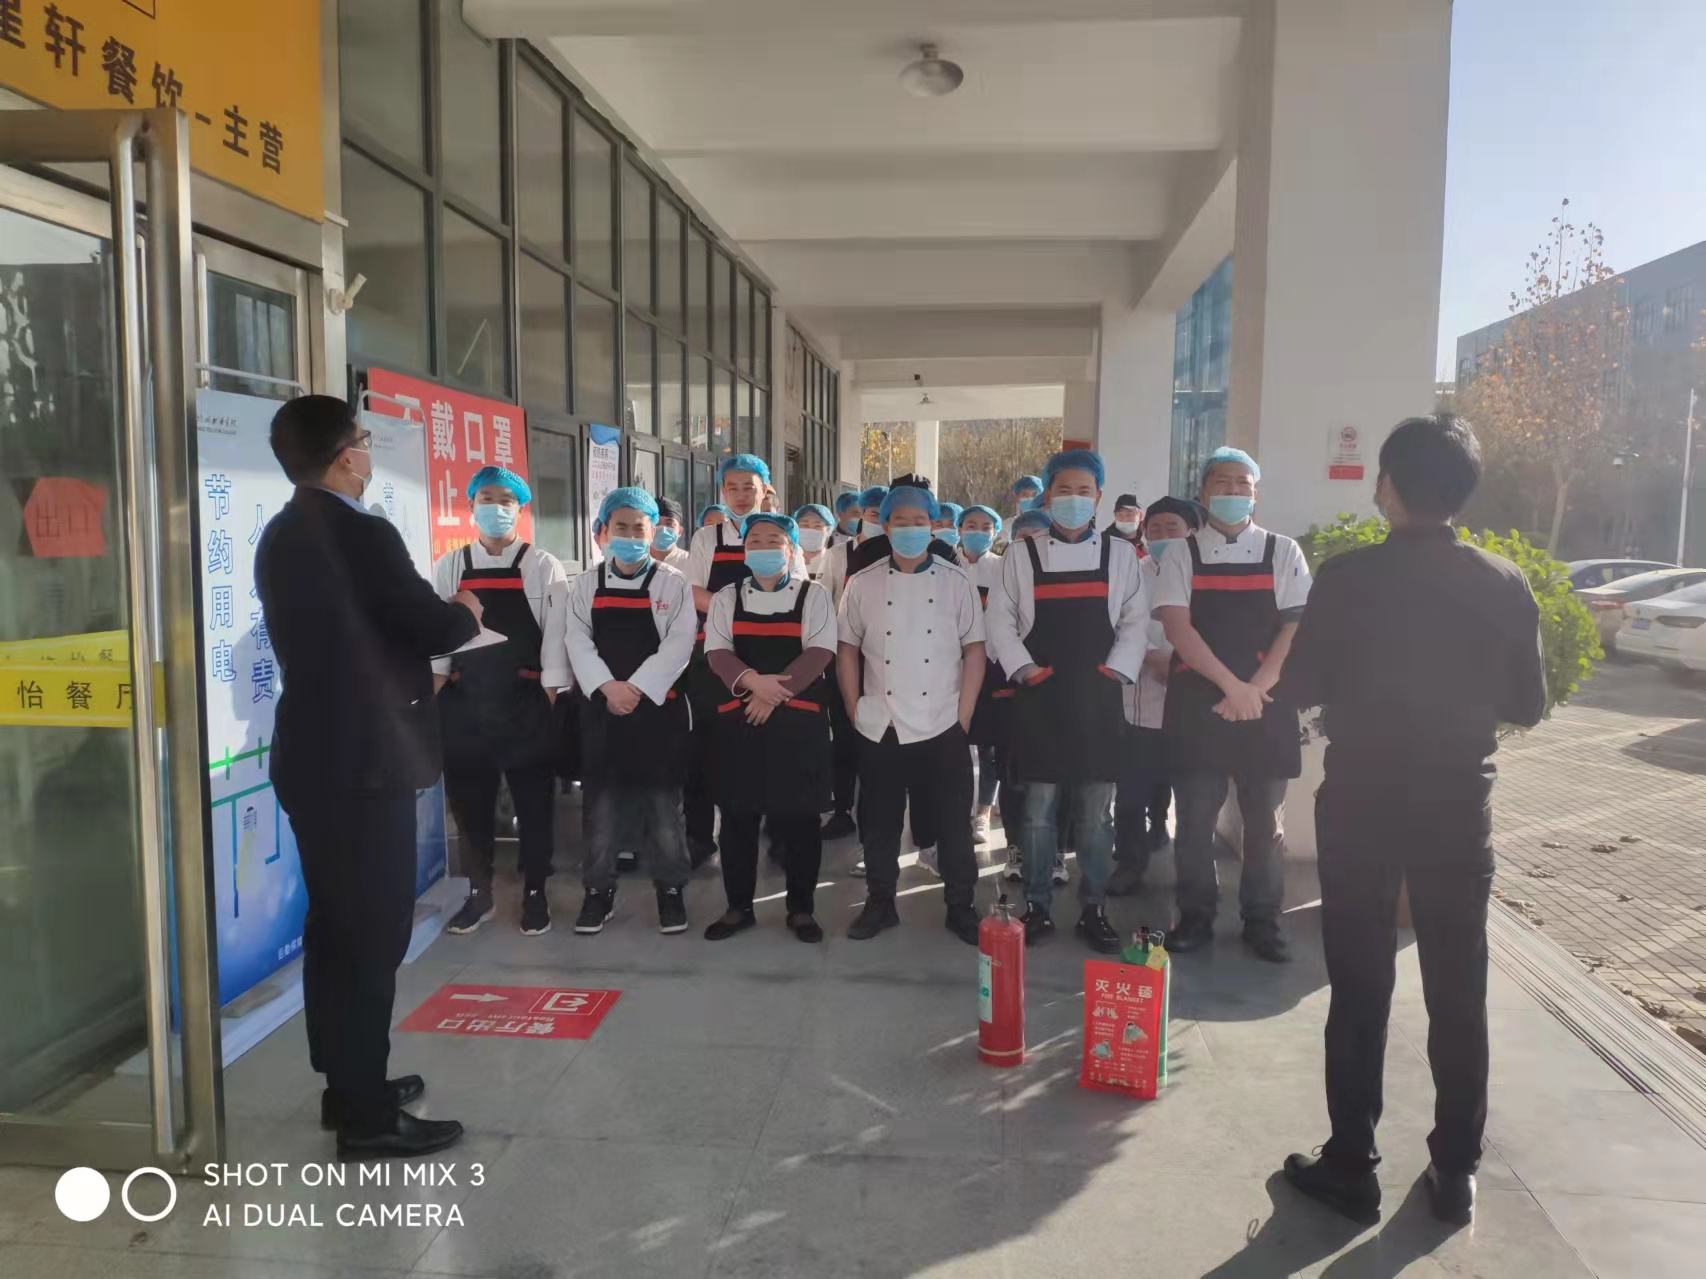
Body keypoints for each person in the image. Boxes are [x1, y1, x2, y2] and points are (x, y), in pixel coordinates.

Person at [1276, 415, 1545, 1227]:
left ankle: (1351, 1165)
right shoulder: (1504, 580)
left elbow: (1301, 683)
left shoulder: (1347, 576)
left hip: (1362, 799)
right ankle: (1456, 1170)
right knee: (1459, 987)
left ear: (1388, 486)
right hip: (1457, 805)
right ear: (1462, 489)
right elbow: (1527, 702)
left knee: (1360, 983)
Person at [254, 395, 479, 1159]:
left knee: (336, 926)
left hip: (315, 756)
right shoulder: (362, 531)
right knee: (371, 935)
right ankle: (365, 1116)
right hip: (364, 763)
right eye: (364, 440)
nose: (368, 452)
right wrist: (464, 608)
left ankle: (348, 1082)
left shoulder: (282, 530)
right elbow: (429, 623)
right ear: (346, 455)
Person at [986, 448, 1150, 953]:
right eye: (1063, 490)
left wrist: (1115, 670)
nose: (1074, 499)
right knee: (1038, 811)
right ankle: (1037, 905)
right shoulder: (1021, 554)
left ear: (1098, 497)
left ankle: (1094, 908)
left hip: (1098, 700)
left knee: (1096, 815)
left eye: (1084, 491)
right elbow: (1000, 620)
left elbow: (1135, 621)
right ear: (1048, 495)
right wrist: (1026, 670)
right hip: (1040, 700)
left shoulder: (1120, 555)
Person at [1155, 446, 1312, 963]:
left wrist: (1257, 686)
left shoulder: (1282, 550)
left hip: (1265, 704)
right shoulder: (1181, 553)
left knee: (1264, 824)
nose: (1233, 491)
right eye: (1222, 482)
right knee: (1194, 820)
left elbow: (1295, 624)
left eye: (1243, 483)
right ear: (1203, 492)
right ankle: (1195, 915)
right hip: (1200, 704)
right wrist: (1231, 686)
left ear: (1255, 494)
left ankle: (1262, 919)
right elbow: (1178, 628)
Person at [837, 484, 985, 944]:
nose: (909, 529)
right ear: (885, 525)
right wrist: (855, 707)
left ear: (933, 525)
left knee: (954, 823)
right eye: (900, 521)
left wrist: (962, 718)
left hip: (943, 720)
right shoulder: (863, 582)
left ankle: (960, 905)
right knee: (880, 822)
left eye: (919, 521)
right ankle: (880, 902)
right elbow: (847, 649)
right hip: (881, 722)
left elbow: (974, 651)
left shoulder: (956, 580)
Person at [433, 466, 571, 938]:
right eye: (486, 498)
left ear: (520, 508)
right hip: (465, 702)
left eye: (506, 500)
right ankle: (479, 892)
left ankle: (536, 892)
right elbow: (439, 637)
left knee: (534, 805)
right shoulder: (451, 564)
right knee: (470, 806)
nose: (496, 508)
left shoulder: (543, 565)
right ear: (471, 506)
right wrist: (434, 692)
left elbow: (556, 638)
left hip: (525, 701)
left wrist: (547, 698)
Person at [564, 486, 698, 935]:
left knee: (663, 808)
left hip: (657, 712)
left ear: (653, 532)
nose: (630, 536)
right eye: (620, 527)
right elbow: (576, 639)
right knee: (600, 808)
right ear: (603, 531)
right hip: (602, 711)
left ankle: (671, 890)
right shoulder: (586, 584)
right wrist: (608, 687)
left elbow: (680, 643)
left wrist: (636, 688)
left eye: (639, 528)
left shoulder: (672, 583)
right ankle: (598, 892)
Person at [703, 513, 837, 942]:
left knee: (800, 820)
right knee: (738, 818)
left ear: (791, 549)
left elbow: (820, 651)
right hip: (742, 719)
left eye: (774, 540)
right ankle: (738, 907)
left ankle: (801, 909)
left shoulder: (813, 595)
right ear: (744, 550)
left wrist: (770, 693)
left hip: (798, 723)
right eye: (754, 540)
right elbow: (717, 652)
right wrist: (753, 684)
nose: (763, 547)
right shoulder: (727, 597)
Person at [1107, 496, 1200, 897]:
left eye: (1171, 528)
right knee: (1130, 797)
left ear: (1192, 532)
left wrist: (1178, 662)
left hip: (1192, 706)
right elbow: (1117, 622)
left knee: (1193, 801)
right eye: (1155, 529)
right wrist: (1149, 655)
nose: (1162, 536)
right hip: (1140, 703)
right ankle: (1130, 864)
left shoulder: (1204, 575)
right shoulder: (1132, 574)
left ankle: (1192, 878)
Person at [684, 455, 769, 864]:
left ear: (764, 490)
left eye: (749, 487)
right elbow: (692, 591)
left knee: (760, 748)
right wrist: (735, 609)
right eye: (732, 487)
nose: (740, 495)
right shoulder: (706, 538)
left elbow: (799, 589)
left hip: (765, 656)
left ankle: (765, 832)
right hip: (712, 657)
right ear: (722, 491)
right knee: (703, 750)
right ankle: (699, 837)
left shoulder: (778, 533)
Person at [956, 505, 1014, 852]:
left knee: (989, 746)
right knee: (954, 742)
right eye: (970, 525)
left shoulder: (1003, 568)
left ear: (995, 533)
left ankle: (983, 812)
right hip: (951, 665)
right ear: (960, 529)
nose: (977, 531)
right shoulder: (945, 565)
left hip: (992, 664)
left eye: (985, 526)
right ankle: (956, 808)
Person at [793, 503, 834, 578]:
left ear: (828, 530)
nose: (811, 530)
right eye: (805, 525)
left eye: (817, 526)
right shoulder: (788, 562)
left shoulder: (834, 562)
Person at [650, 495, 690, 570]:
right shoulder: (636, 563)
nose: (662, 528)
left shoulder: (690, 563)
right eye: (656, 523)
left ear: (680, 531)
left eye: (669, 524)